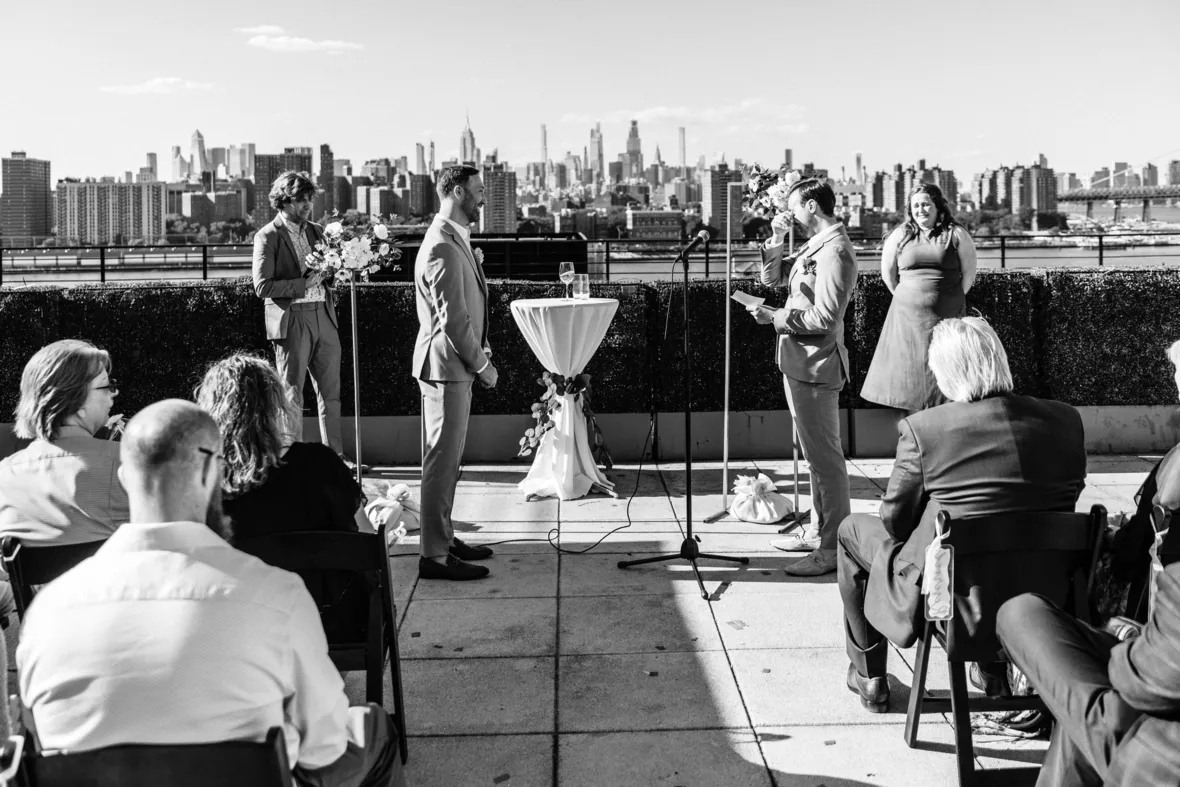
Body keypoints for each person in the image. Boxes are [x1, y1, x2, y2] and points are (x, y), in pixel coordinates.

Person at [16, 400, 405, 787]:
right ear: (212, 473)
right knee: (373, 730)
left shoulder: (47, 614)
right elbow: (325, 749)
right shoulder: (275, 596)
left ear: (122, 478)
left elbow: (39, 745)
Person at [837, 317, 1086, 712]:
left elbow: (895, 523)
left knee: (852, 530)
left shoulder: (925, 429)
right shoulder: (1065, 420)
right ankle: (992, 670)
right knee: (997, 535)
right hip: (1048, 595)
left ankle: (870, 676)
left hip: (958, 602)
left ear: (944, 372)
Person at [195, 353, 371, 642]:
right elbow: (366, 543)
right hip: (329, 625)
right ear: (274, 405)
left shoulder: (204, 481)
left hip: (235, 630)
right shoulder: (321, 464)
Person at [752, 178, 857, 576]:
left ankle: (832, 550)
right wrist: (777, 238)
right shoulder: (816, 246)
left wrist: (775, 318)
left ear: (812, 206)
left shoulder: (836, 251)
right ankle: (818, 530)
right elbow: (772, 279)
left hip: (816, 367)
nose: (791, 213)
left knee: (826, 461)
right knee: (815, 460)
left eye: (794, 207)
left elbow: (826, 319)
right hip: (798, 363)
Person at [996, 568, 1180, 786]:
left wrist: (1128, 648)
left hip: (1160, 754)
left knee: (1020, 612)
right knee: (1082, 705)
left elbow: (1147, 682)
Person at [412, 165, 499, 581]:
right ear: (458, 192)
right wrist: (482, 366)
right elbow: (453, 319)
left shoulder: (454, 238)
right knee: (441, 462)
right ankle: (433, 556)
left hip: (452, 367)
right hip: (447, 367)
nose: (484, 198)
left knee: (449, 460)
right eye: (479, 190)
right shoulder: (442, 246)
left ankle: (444, 538)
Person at [252, 170, 365, 473]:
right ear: (283, 200)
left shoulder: (318, 231)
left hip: (324, 317)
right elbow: (262, 287)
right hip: (293, 320)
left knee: (331, 393)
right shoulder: (267, 236)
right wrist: (302, 284)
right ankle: (293, 462)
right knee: (291, 394)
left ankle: (336, 460)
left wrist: (333, 272)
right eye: (300, 200)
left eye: (309, 199)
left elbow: (329, 272)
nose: (307, 205)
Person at [860, 183, 978, 412]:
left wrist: (949, 298)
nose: (921, 209)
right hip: (906, 318)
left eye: (926, 204)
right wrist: (908, 298)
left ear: (938, 207)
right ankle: (913, 423)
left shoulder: (956, 234)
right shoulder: (899, 234)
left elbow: (969, 274)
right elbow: (889, 276)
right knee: (910, 372)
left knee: (946, 365)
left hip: (947, 316)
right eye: (916, 205)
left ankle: (945, 419)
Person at [0, 339, 128, 545]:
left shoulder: (5, 476)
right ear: (77, 404)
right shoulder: (129, 466)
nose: (115, 392)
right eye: (107, 385)